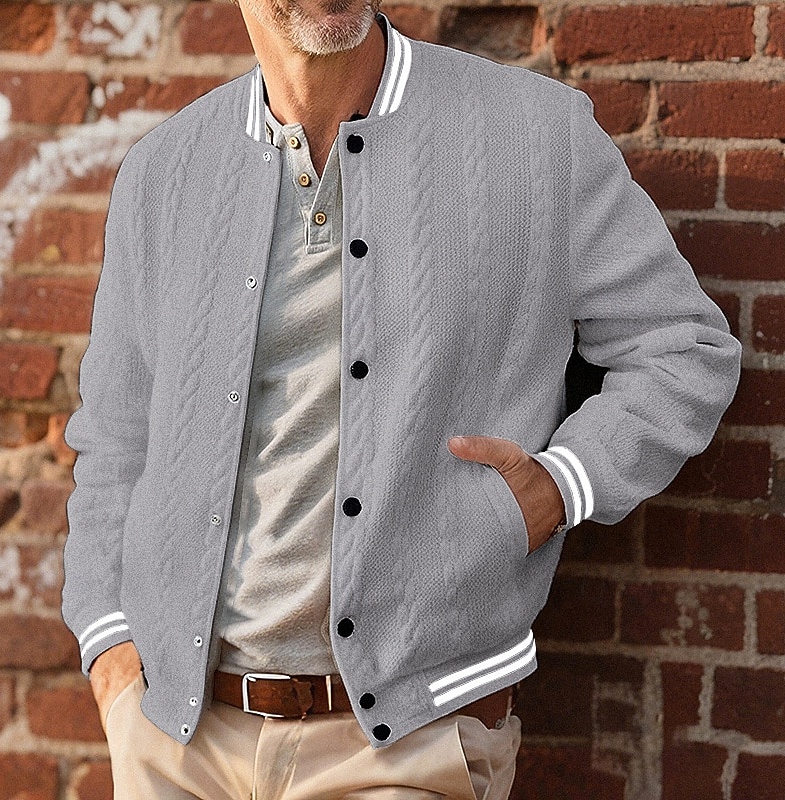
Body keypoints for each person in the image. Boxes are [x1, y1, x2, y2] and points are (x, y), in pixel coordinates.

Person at [61, 1, 742, 797]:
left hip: (411, 741)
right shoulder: (163, 172)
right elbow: (115, 439)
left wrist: (560, 487)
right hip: (176, 738)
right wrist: (110, 652)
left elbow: (681, 350)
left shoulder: (537, 136)